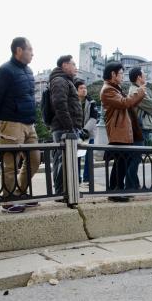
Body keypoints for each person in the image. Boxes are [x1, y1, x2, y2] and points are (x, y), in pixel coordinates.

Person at [0, 37, 39, 213]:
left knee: (35, 159)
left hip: (29, 123)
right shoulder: (4, 71)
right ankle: (8, 200)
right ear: (19, 50)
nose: (32, 53)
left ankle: (20, 192)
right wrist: (3, 118)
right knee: (10, 163)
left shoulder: (29, 71)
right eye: (30, 49)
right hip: (11, 123)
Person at [100, 62, 145, 202]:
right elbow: (124, 103)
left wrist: (139, 95)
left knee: (121, 163)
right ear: (113, 74)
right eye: (120, 73)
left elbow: (127, 104)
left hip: (121, 131)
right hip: (118, 131)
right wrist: (140, 92)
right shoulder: (108, 90)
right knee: (121, 163)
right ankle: (115, 192)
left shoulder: (114, 88)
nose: (122, 76)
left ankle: (115, 191)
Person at [49, 55, 86, 197]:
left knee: (67, 160)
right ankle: (61, 193)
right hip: (64, 128)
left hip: (67, 128)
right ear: (64, 65)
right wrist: (70, 127)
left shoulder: (65, 80)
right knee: (62, 161)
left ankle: (68, 191)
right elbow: (60, 104)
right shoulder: (59, 80)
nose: (75, 67)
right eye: (73, 64)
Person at [74, 79, 99, 186]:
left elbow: (94, 118)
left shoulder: (92, 102)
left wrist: (85, 130)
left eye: (85, 88)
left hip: (88, 133)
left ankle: (87, 179)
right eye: (81, 88)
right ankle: (77, 178)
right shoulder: (73, 101)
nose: (84, 90)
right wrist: (78, 131)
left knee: (89, 156)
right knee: (77, 156)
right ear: (76, 90)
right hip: (76, 133)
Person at [128, 67, 152, 143]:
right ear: (139, 77)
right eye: (144, 74)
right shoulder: (135, 91)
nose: (145, 76)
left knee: (139, 151)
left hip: (141, 126)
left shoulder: (140, 89)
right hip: (139, 127)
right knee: (138, 151)